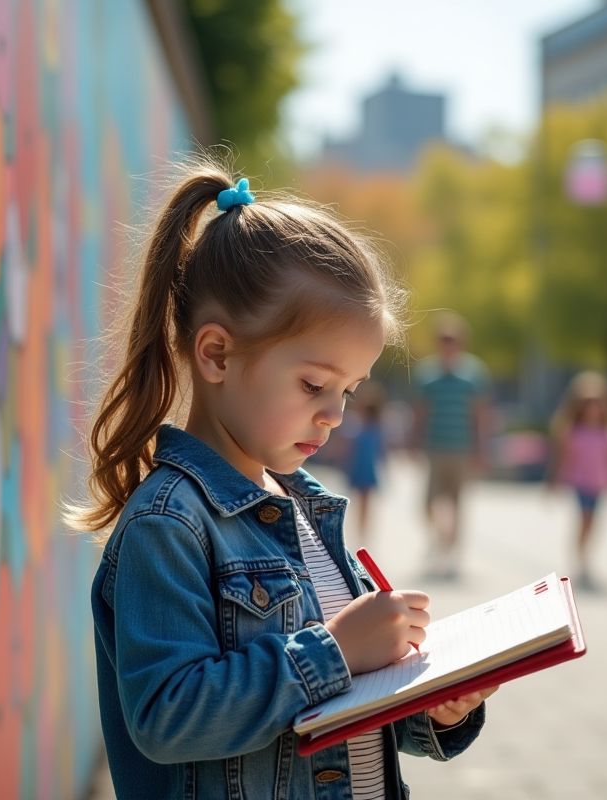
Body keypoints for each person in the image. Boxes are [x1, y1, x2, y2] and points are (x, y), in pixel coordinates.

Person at [70, 163, 496, 800]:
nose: (336, 414)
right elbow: (169, 713)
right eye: (314, 385)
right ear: (216, 354)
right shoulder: (171, 522)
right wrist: (335, 650)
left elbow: (329, 713)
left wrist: (432, 705)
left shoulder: (304, 509)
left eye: (350, 390)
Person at [412, 314, 492, 580]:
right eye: (444, 339)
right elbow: (420, 412)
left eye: (453, 340)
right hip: (435, 448)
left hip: (462, 448)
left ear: (461, 343)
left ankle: (453, 554)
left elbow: (480, 415)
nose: (448, 344)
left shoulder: (474, 374)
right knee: (428, 503)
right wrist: (413, 442)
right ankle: (440, 539)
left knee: (457, 504)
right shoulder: (427, 375)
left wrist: (482, 449)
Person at [547, 372, 607, 591]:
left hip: (601, 482)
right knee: (584, 519)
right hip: (580, 482)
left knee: (593, 521)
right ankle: (581, 558)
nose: (593, 408)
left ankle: (585, 555)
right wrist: (554, 481)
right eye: (589, 403)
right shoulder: (573, 432)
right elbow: (563, 459)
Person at [343, 383, 387, 546]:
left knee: (364, 503)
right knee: (362, 503)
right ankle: (361, 533)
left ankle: (363, 533)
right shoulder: (369, 428)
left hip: (364, 469)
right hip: (363, 469)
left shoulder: (368, 428)